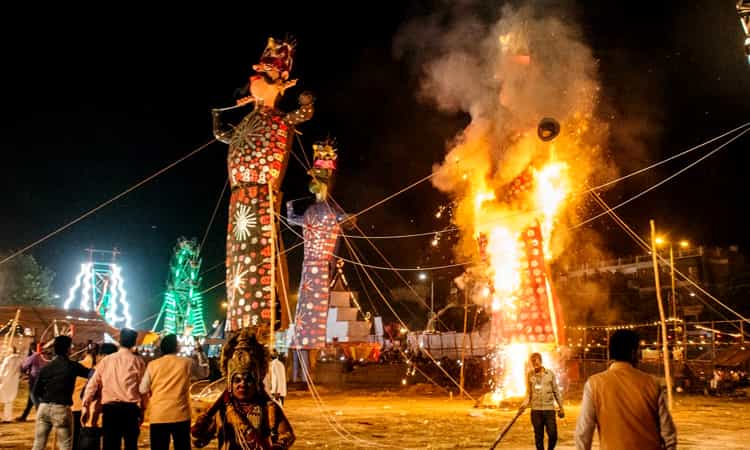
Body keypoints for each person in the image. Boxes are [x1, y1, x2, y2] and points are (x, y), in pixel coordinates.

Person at [191, 329, 294, 450]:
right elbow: (199, 442)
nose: (242, 384)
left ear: (256, 383)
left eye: (248, 380)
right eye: (237, 380)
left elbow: (287, 434)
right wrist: (198, 431)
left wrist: (279, 446)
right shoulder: (221, 410)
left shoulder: (268, 407)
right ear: (230, 384)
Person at [575, 329, 677, 450]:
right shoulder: (652, 383)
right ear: (633, 353)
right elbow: (668, 433)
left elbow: (584, 432)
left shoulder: (594, 384)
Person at [139, 334, 209, 450]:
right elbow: (204, 373)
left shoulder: (152, 365)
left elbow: (143, 389)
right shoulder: (187, 363)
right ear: (177, 347)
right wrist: (200, 353)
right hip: (180, 415)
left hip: (159, 415)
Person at [82, 328, 145, 450]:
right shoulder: (138, 362)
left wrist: (86, 404)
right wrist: (143, 409)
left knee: (110, 445)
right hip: (130, 411)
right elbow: (142, 389)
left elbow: (92, 384)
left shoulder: (107, 360)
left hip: (111, 411)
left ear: (120, 341)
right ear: (134, 343)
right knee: (131, 445)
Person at [30, 336, 90, 450]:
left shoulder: (46, 368)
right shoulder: (72, 366)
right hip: (61, 409)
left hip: (43, 408)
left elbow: (34, 392)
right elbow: (92, 374)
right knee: (65, 446)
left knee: (38, 445)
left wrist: (40, 406)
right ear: (68, 349)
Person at [78, 343, 118, 450]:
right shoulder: (118, 371)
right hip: (112, 415)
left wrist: (85, 404)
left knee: (89, 443)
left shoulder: (97, 370)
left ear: (103, 356)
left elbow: (86, 393)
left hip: (94, 415)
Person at [521, 352, 564, 450]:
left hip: (549, 410)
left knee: (553, 435)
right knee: (538, 437)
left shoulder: (550, 374)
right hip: (536, 411)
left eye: (536, 362)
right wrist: (523, 405)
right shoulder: (530, 375)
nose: (535, 364)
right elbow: (528, 393)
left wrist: (561, 407)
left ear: (541, 361)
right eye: (533, 363)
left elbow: (556, 391)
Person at [71, 344, 98, 450]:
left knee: (75, 437)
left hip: (76, 405)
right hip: (91, 407)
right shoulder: (98, 368)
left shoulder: (77, 365)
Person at [17, 343, 48, 421]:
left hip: (34, 379)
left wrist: (21, 367)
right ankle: (24, 416)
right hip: (44, 379)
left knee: (34, 396)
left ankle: (41, 415)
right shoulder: (46, 357)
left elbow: (24, 367)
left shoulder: (34, 356)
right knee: (31, 398)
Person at [0, 347, 23, 422]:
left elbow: (2, 369)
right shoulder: (20, 359)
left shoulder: (8, 359)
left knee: (4, 397)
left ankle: (7, 417)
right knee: (9, 400)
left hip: (5, 380)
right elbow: (20, 370)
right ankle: (8, 417)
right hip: (13, 382)